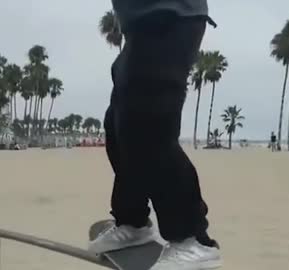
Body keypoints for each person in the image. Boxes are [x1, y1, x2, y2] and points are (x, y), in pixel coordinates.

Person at [88, 1, 222, 269]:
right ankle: (132, 221)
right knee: (119, 125)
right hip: (142, 24)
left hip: (170, 16)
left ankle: (191, 240)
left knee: (150, 129)